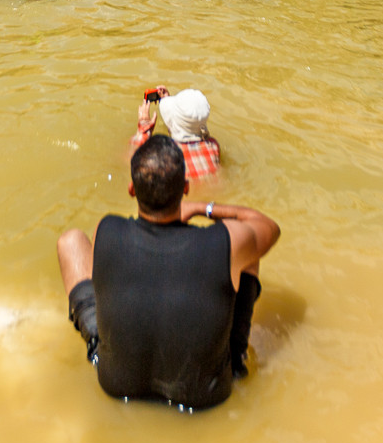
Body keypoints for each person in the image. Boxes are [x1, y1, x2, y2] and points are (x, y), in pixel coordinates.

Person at [57, 136, 280, 406]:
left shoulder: (107, 230)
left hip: (116, 383)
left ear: (132, 190)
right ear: (185, 188)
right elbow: (268, 226)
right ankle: (237, 363)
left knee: (70, 242)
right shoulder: (228, 242)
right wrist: (202, 208)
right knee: (247, 252)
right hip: (205, 396)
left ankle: (103, 348)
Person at [130, 87, 220, 180]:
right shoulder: (213, 146)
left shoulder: (166, 155)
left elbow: (133, 160)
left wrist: (144, 128)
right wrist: (167, 100)